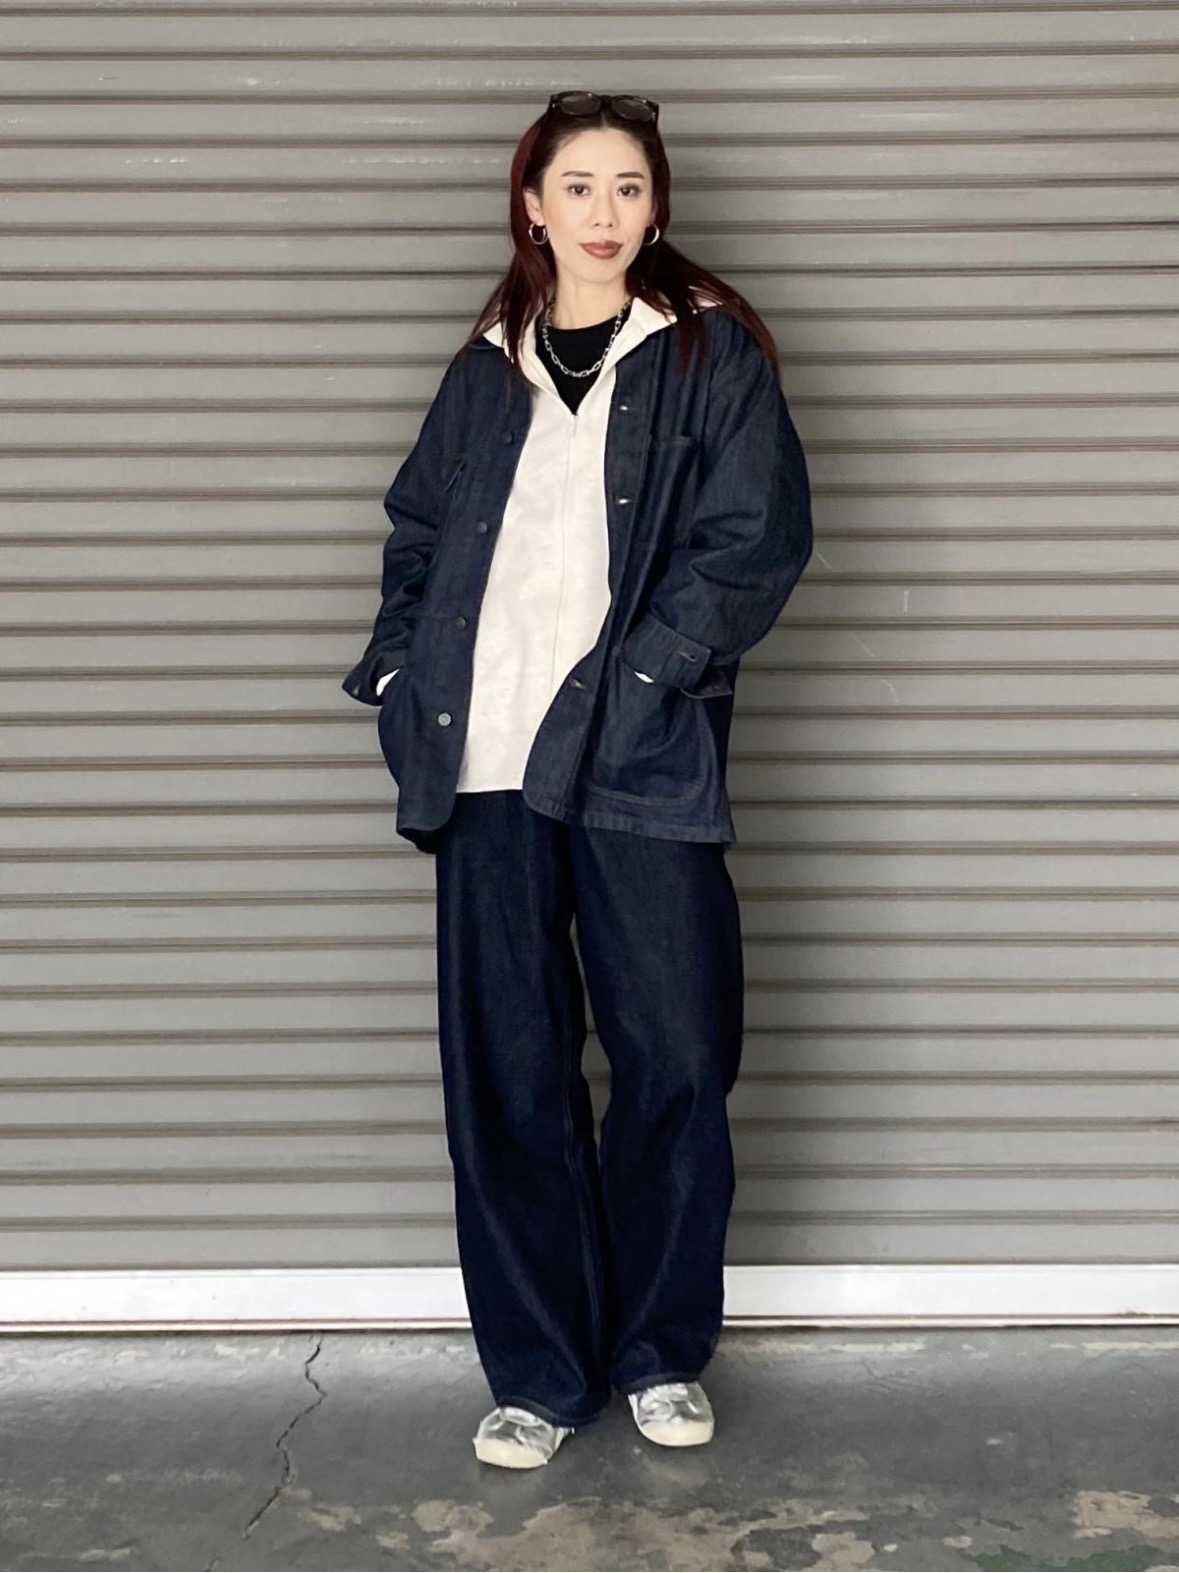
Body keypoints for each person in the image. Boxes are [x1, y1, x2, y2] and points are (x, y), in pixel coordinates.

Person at [342, 89, 813, 1468]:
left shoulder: (708, 352)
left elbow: (754, 539)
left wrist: (649, 678)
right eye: (578, 188)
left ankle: (659, 1352)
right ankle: (541, 1375)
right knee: (510, 1075)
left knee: (676, 1056)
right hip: (484, 757)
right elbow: (418, 530)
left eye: (628, 188)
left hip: (639, 760)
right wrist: (398, 671)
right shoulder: (485, 366)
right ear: (533, 207)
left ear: (656, 208)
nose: (604, 213)